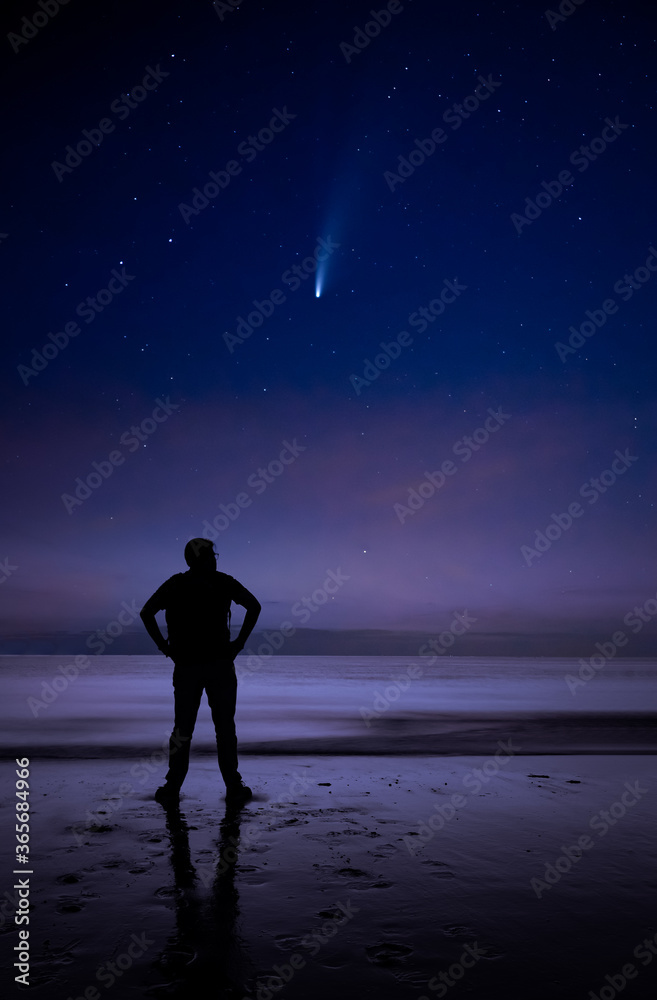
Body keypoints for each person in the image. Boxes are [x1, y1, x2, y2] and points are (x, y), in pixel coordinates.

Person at [140, 538, 261, 807]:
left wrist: (165, 648)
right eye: (212, 554)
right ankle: (233, 786)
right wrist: (238, 644)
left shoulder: (176, 584)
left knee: (183, 729)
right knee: (225, 728)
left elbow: (147, 612)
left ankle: (172, 787)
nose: (215, 559)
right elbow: (254, 606)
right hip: (219, 664)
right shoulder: (223, 581)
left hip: (187, 665)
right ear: (205, 557)